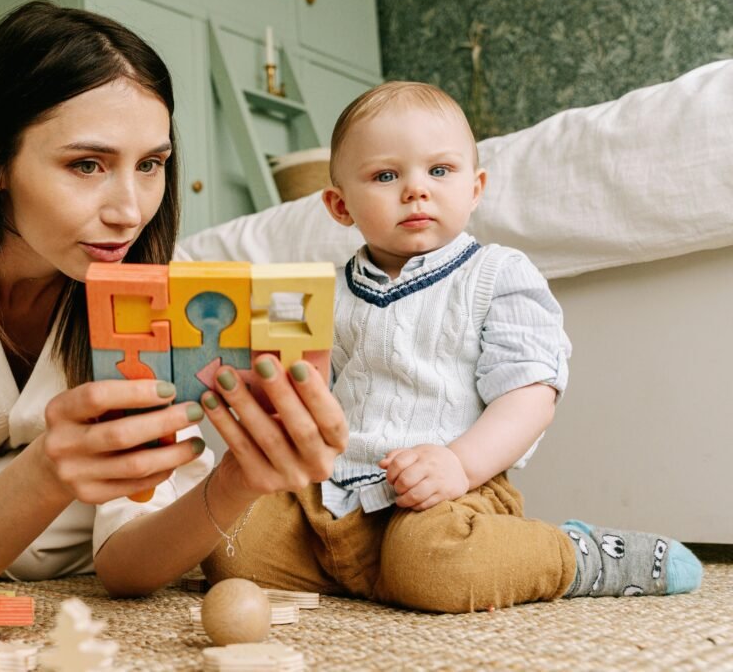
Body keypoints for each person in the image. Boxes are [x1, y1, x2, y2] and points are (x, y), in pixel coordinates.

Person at [0, 0, 347, 596]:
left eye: (151, 164)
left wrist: (239, 481)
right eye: (87, 165)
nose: (129, 213)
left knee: (81, 514)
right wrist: (50, 469)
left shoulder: (151, 277)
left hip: (58, 516)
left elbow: (128, 568)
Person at [201, 81, 702, 612]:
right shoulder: (322, 292)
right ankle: (374, 572)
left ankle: (577, 556)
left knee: (437, 564)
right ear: (339, 204)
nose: (416, 189)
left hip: (454, 493)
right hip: (335, 495)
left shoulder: (497, 275)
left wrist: (459, 465)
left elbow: (531, 394)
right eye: (386, 175)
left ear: (475, 187)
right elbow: (310, 394)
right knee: (230, 548)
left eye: (439, 171)